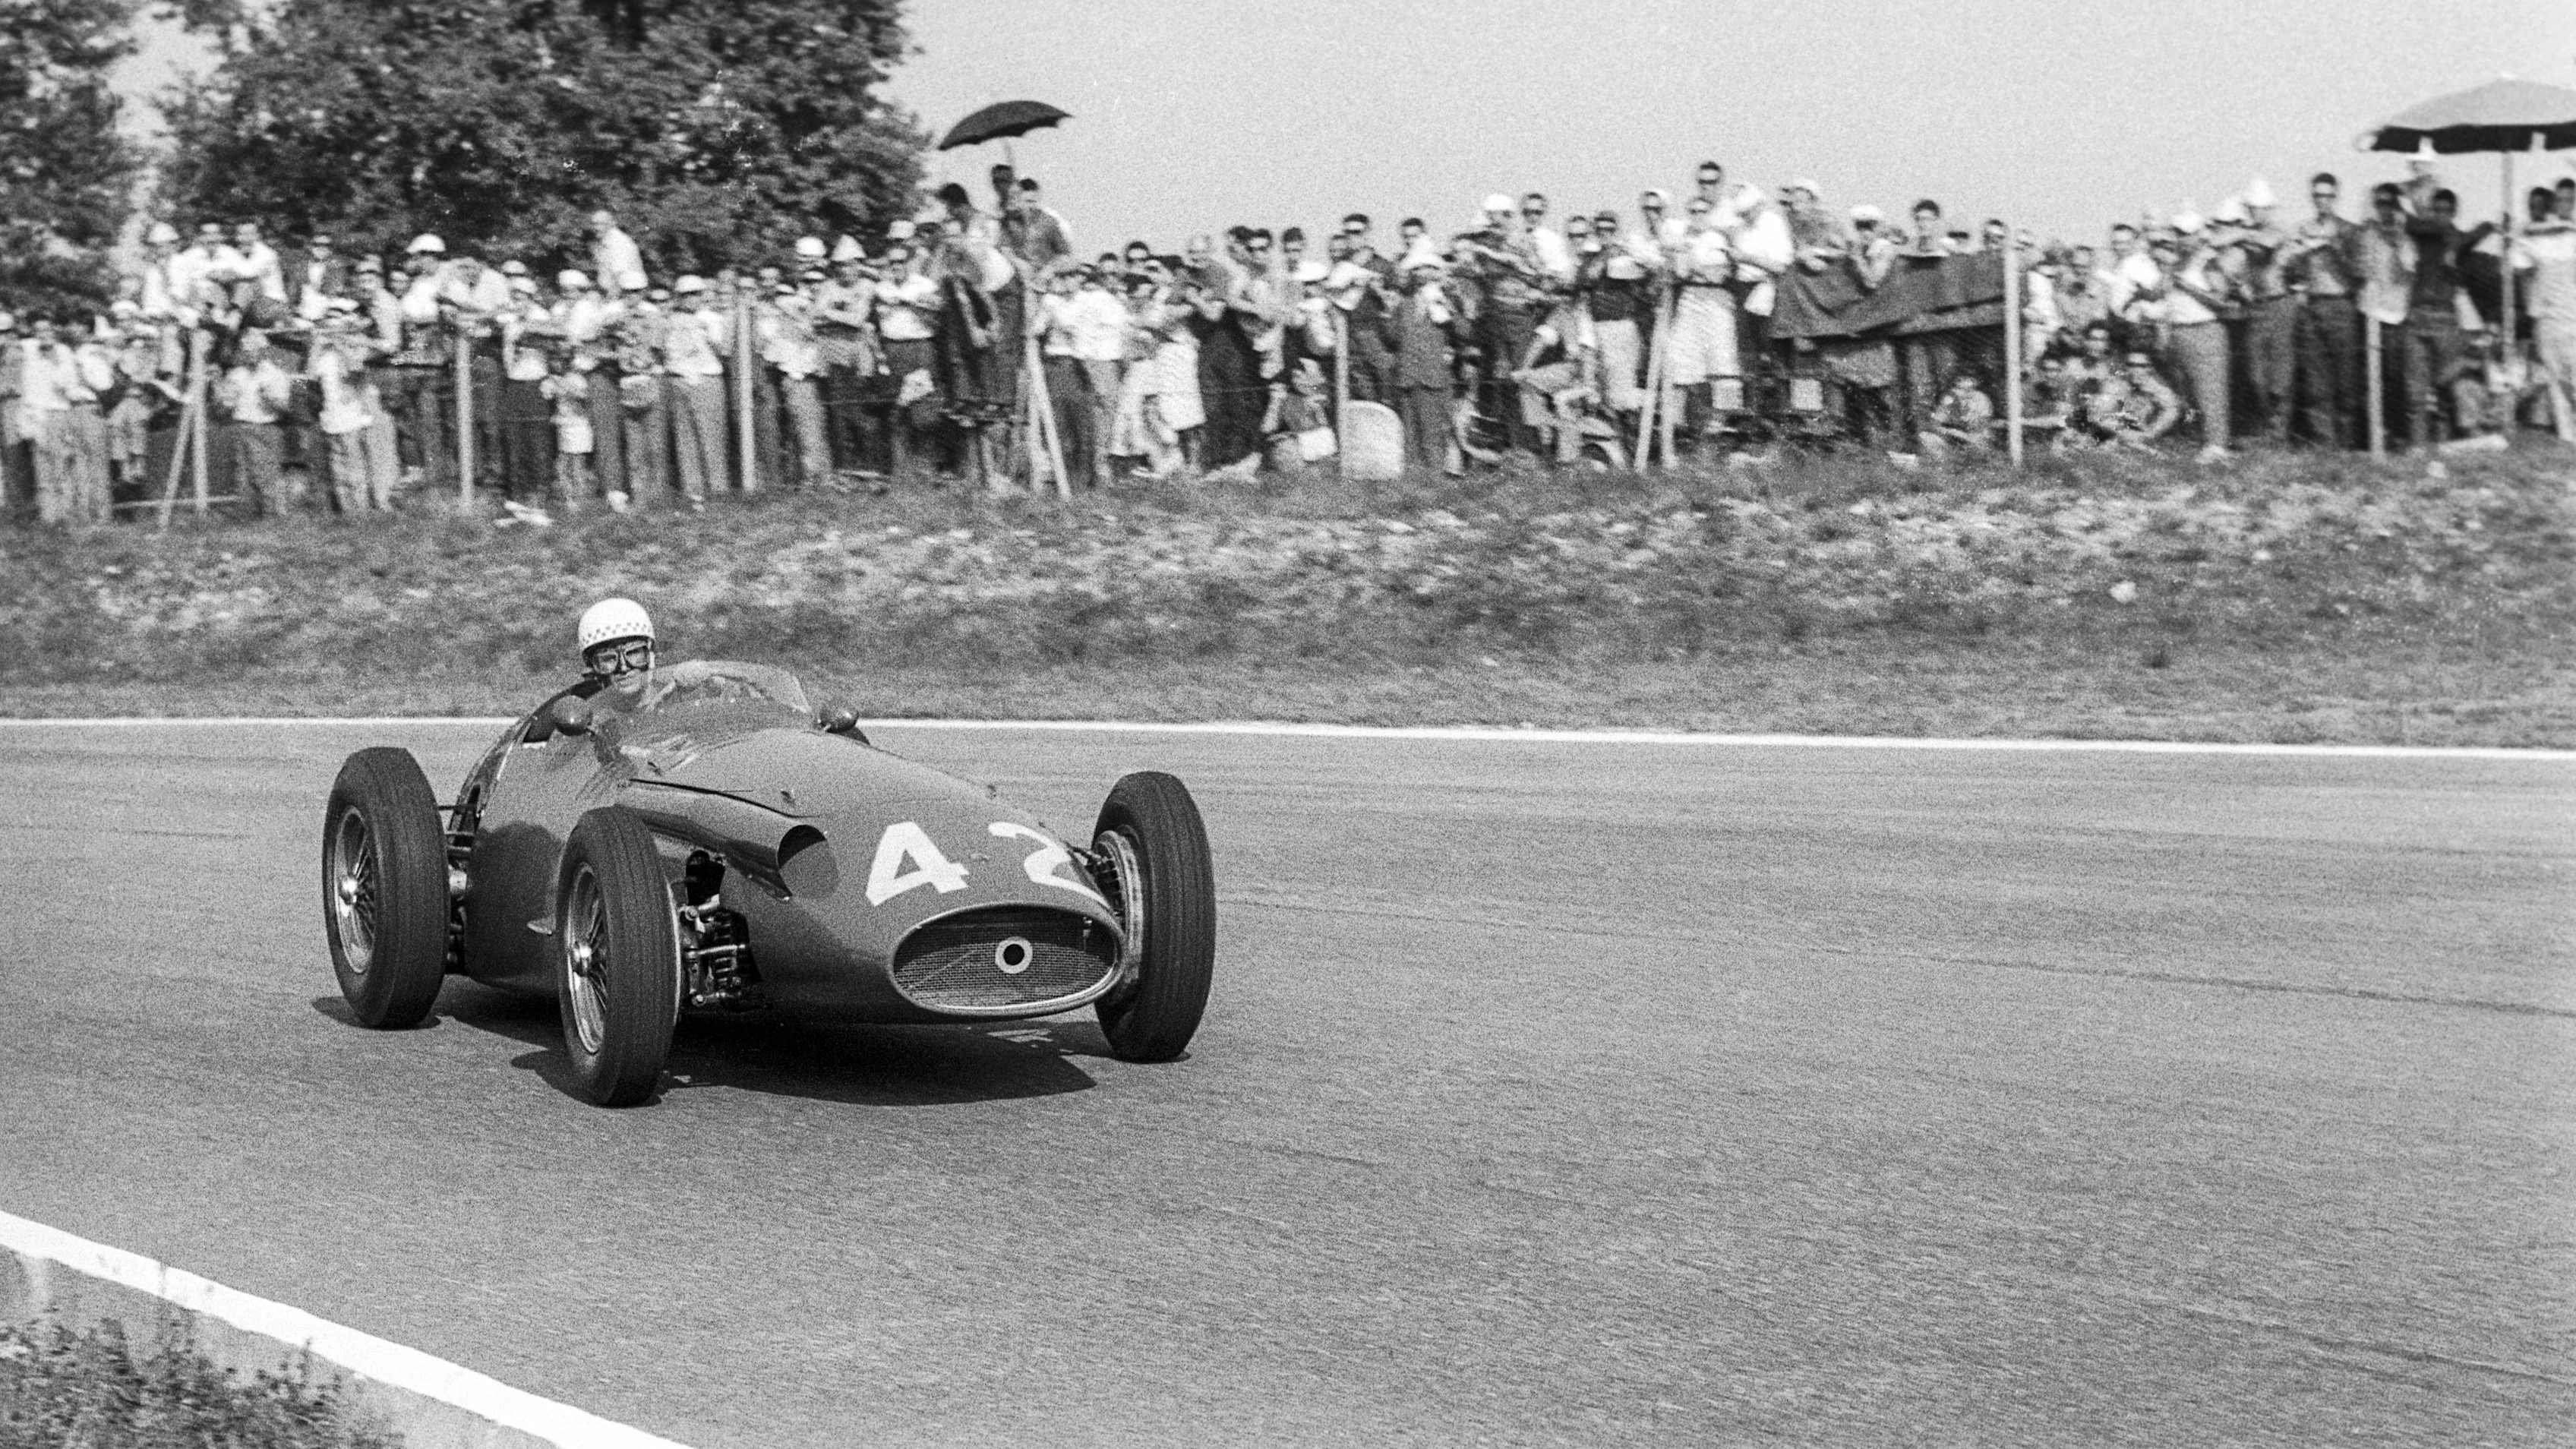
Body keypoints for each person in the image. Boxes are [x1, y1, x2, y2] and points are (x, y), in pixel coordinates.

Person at [2287, 172, 2363, 447]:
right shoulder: (2303, 229)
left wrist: (2334, 247)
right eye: (2318, 195)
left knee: (2346, 378)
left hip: (2342, 305)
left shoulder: (2349, 230)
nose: (2323, 201)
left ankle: (2347, 441)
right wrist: (2299, 257)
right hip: (2313, 305)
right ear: (2312, 197)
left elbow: (2359, 273)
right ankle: (2323, 442)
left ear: (2336, 197)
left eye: (2328, 196)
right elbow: (2294, 272)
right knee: (2315, 378)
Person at [1383, 244, 1465, 473]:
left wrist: (1448, 306)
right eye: (1418, 269)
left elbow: (1464, 332)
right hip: (1407, 376)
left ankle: (1436, 476)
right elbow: (1392, 338)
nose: (1423, 273)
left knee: (1432, 431)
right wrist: (1389, 313)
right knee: (1409, 432)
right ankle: (1414, 478)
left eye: (1429, 268)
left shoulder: (1445, 300)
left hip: (1432, 376)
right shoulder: (1404, 304)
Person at [2164, 212, 2236, 460]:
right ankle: (2203, 440)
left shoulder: (2209, 262)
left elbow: (2221, 300)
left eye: (2186, 234)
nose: (2181, 239)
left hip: (2205, 330)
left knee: (2211, 390)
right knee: (2191, 392)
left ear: (2197, 235)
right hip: (2180, 330)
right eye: (2178, 233)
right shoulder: (2176, 263)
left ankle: (2217, 446)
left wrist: (2188, 287)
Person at [2511, 191, 2576, 443]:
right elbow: (2518, 266)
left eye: (2540, 205)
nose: (2535, 210)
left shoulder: (2568, 237)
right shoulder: (2533, 240)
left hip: (2571, 317)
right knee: (2556, 381)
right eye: (2532, 206)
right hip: (2546, 321)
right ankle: (2567, 437)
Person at [216, 327, 293, 516]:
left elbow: (285, 408)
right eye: (245, 349)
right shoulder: (235, 375)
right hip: (241, 427)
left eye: (253, 349)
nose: (249, 354)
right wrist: (222, 393)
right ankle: (248, 515)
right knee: (243, 473)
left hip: (265, 428)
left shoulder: (275, 374)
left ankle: (273, 515)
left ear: (263, 350)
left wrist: (270, 399)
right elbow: (223, 409)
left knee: (266, 474)